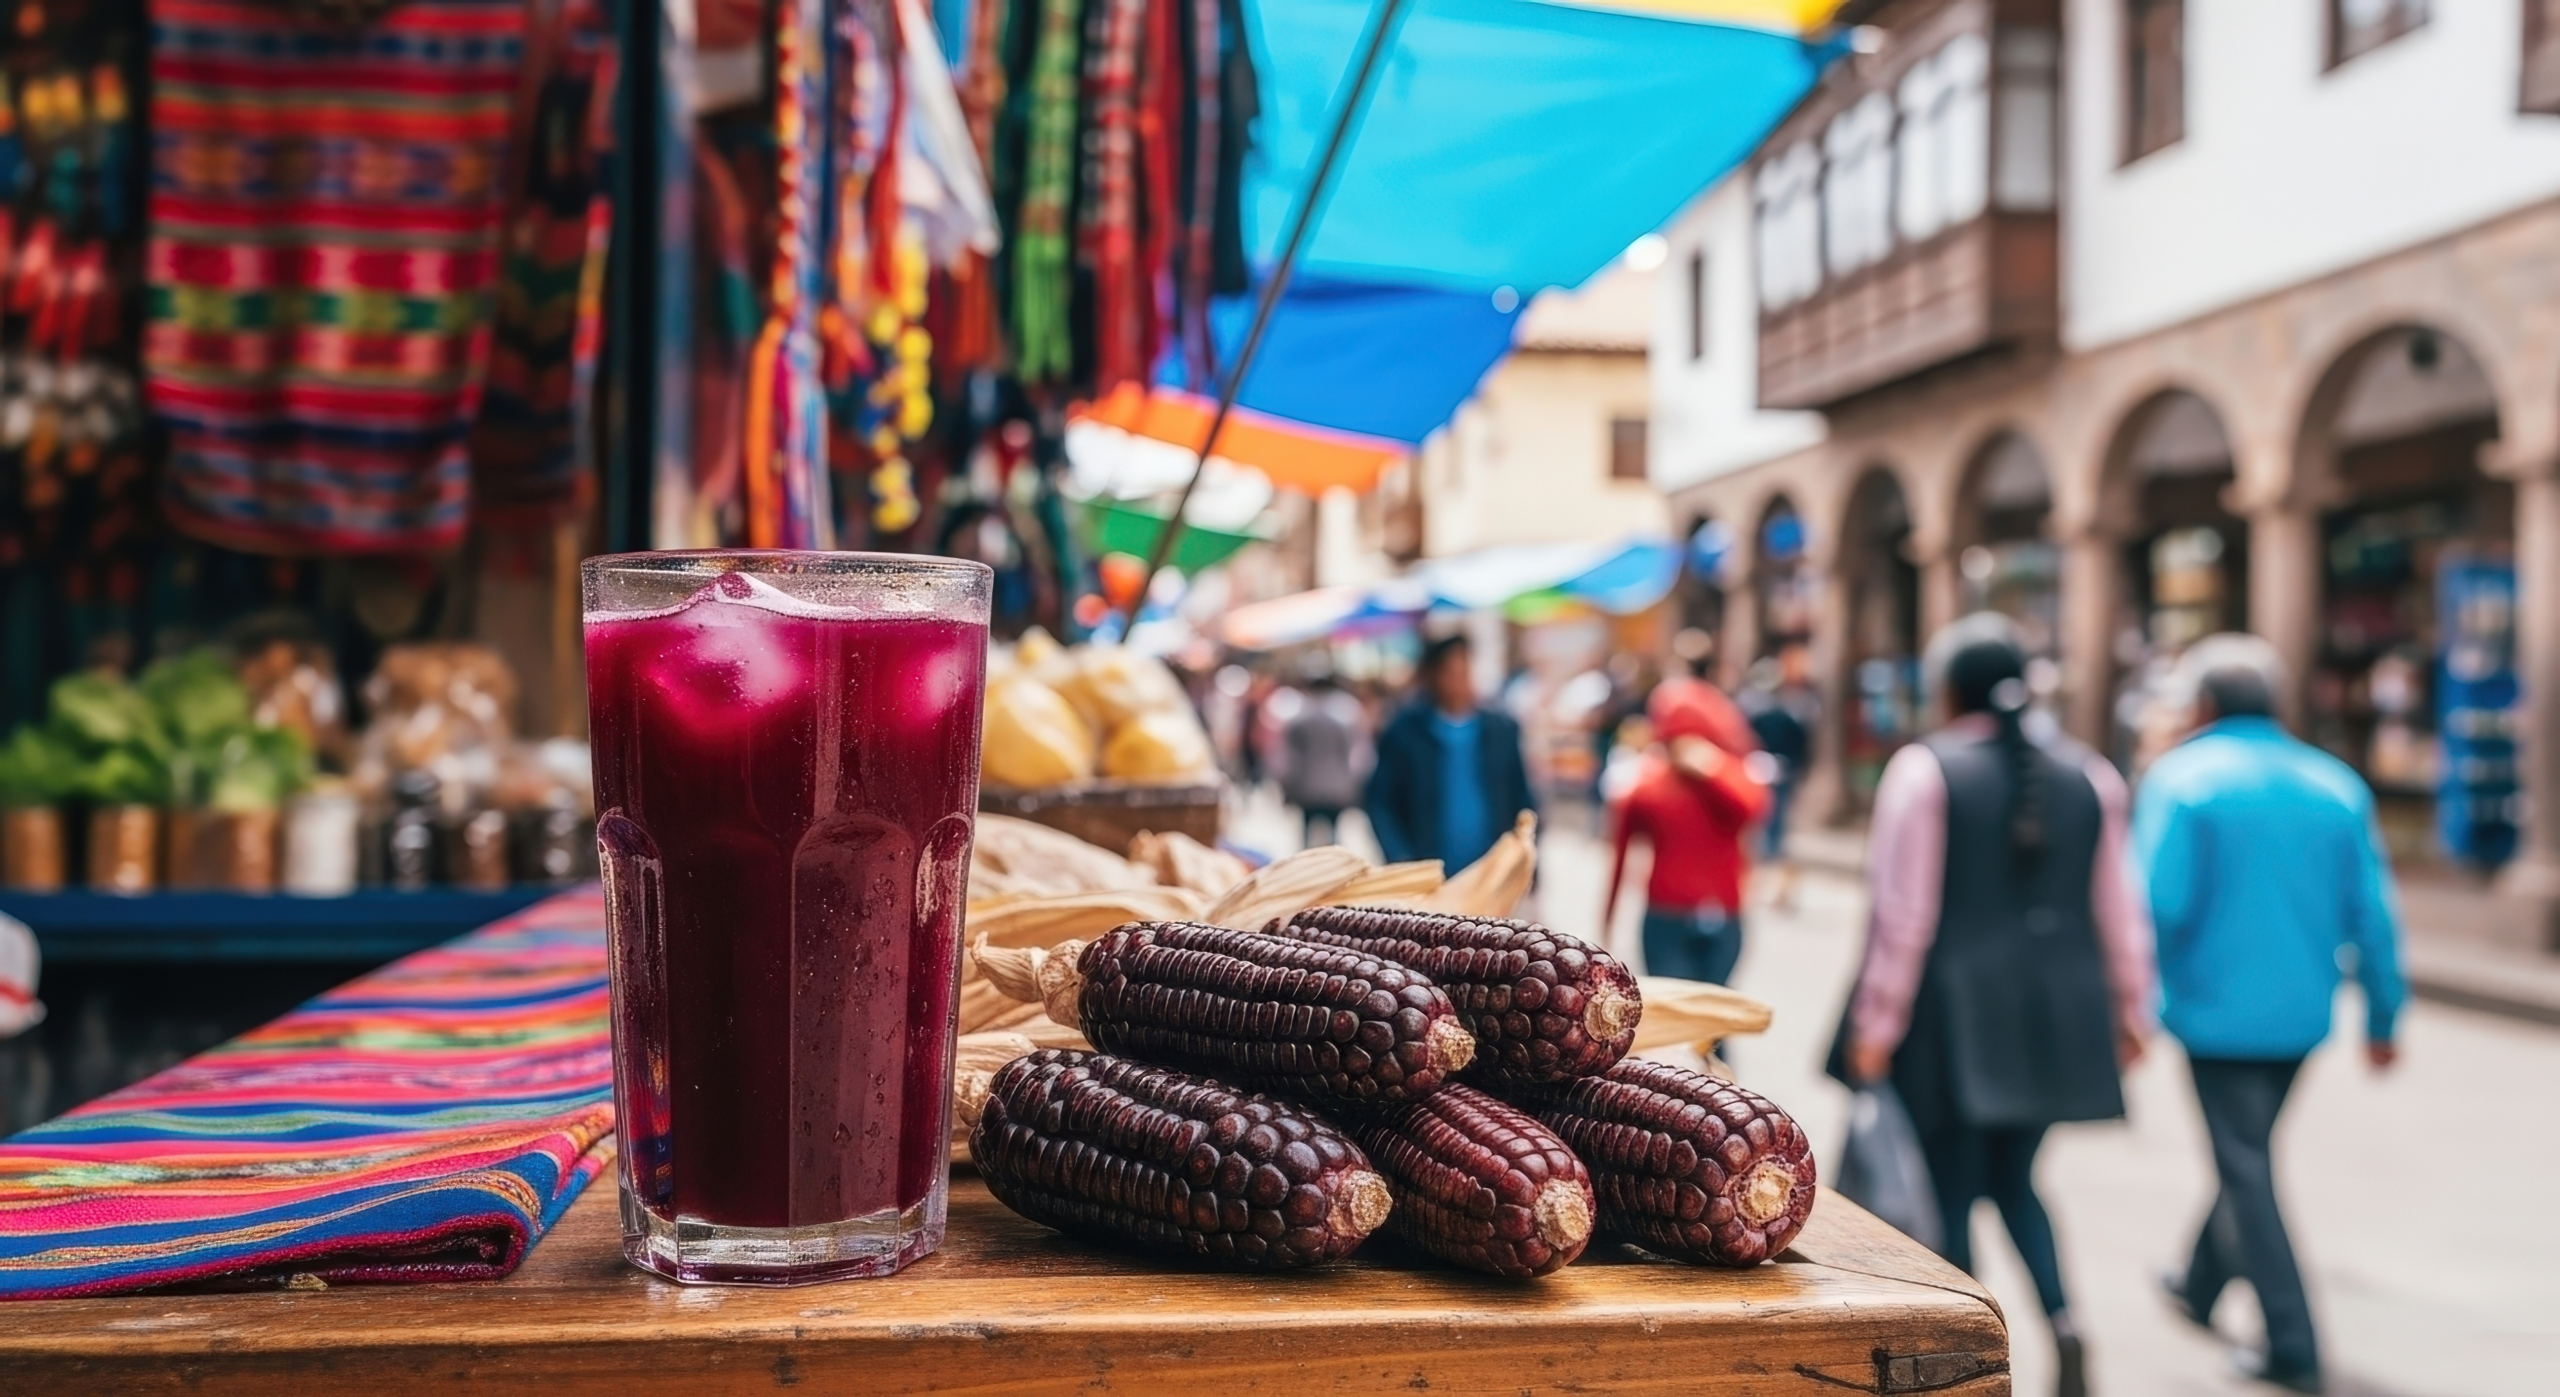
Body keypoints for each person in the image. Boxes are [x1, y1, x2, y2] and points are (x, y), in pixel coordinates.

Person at [1832, 613, 2154, 1397]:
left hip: (1952, 1020)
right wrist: (2133, 1009)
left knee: (1949, 1190)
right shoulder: (2092, 774)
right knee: (2015, 1178)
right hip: (2059, 1021)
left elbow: (1902, 918)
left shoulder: (1923, 771)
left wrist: (1875, 1025)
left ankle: (1959, 1363)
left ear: (1948, 689)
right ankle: (2064, 1321)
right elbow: (2121, 908)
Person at [2134, 634, 2405, 1396]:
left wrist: (2128, 1004)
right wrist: (2385, 1014)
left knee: (2244, 1162)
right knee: (2244, 1151)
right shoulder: (2337, 785)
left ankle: (2293, 1339)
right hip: (2300, 1019)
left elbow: (2157, 903)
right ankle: (2198, 1279)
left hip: (2214, 1016)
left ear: (2204, 705)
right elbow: (2374, 915)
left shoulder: (2182, 781)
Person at [1603, 678, 1770, 985]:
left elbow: (1754, 810)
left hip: (1722, 913)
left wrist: (1711, 768)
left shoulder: (1725, 772)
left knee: (1713, 1015)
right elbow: (1620, 851)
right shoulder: (1648, 784)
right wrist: (1607, 923)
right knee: (1685, 1014)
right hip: (1669, 915)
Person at [1366, 635, 1537, 869]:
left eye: (1465, 670)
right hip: (1427, 870)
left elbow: (1521, 798)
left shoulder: (1500, 730)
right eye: (1451, 672)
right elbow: (1381, 801)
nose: (1460, 680)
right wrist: (1399, 857)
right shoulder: (1405, 732)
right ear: (1433, 676)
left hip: (1491, 870)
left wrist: (1525, 859)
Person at [1739, 643, 1819, 909]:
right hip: (1775, 775)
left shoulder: (1773, 712)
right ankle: (1767, 885)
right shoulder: (1785, 712)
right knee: (1772, 832)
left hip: (1769, 776)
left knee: (1769, 832)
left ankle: (1771, 886)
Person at [1280, 671, 1369, 847]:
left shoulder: (1301, 713)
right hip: (1337, 786)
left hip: (1307, 784)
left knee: (1306, 834)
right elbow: (1357, 753)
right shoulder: (1347, 712)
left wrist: (1287, 784)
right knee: (1334, 835)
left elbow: (1291, 756)